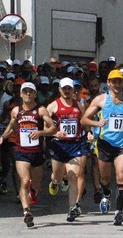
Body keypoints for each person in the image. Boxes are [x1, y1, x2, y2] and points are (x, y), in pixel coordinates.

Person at [0, 82, 56, 227]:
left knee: (34, 185)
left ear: (35, 94)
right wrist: (2, 137)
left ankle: (33, 193)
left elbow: (53, 128)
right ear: (21, 94)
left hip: (37, 153)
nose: (28, 94)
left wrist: (40, 132)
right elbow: (11, 127)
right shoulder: (16, 111)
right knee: (24, 180)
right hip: (21, 152)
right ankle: (26, 211)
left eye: (31, 92)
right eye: (25, 91)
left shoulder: (40, 111)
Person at [81, 69, 123, 225]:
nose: (117, 84)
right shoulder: (100, 100)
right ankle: (106, 193)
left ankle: (119, 211)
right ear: (109, 83)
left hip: (122, 145)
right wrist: (96, 123)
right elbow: (84, 120)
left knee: (121, 175)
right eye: (114, 81)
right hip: (104, 144)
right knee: (105, 179)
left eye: (120, 81)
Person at [46, 78, 89, 222]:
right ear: (59, 90)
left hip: (74, 144)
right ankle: (54, 182)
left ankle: (72, 208)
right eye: (64, 89)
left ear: (73, 90)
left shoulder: (79, 105)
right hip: (59, 145)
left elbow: (83, 121)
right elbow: (44, 126)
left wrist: (88, 132)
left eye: (69, 89)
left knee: (73, 176)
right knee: (58, 176)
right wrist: (53, 133)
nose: (67, 91)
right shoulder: (53, 106)